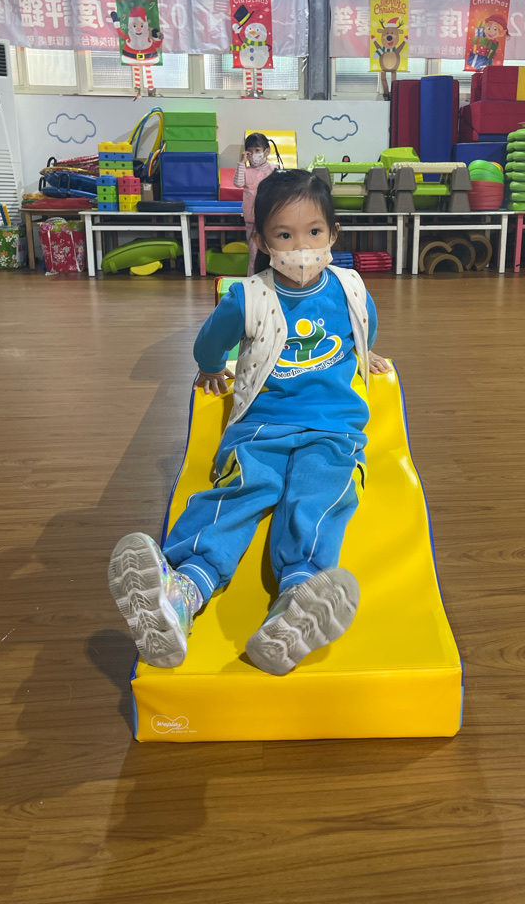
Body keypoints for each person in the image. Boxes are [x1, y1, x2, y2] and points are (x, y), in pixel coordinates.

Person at [108, 169, 392, 676]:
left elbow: (365, 323)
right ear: (261, 240)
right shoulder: (247, 296)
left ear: (333, 233)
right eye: (284, 235)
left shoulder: (350, 286)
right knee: (240, 492)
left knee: (319, 496)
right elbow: (209, 343)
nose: (301, 247)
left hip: (333, 430)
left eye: (314, 232)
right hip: (261, 429)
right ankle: (181, 591)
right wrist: (211, 367)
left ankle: (298, 601)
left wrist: (364, 352)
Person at [234, 133, 277, 275]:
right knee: (254, 255)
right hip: (252, 220)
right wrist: (242, 162)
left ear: (267, 151)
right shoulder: (246, 171)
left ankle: (273, 282)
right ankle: (252, 282)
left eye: (257, 150)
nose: (253, 155)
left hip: (270, 219)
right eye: (250, 151)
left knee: (273, 253)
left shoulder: (274, 169)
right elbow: (238, 183)